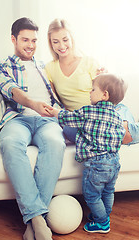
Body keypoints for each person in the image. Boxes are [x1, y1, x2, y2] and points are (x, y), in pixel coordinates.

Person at [45, 19, 139, 145]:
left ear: (71, 39)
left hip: (108, 113)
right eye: (55, 42)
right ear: (51, 44)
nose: (61, 45)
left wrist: (105, 76)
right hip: (82, 119)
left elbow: (108, 92)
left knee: (124, 132)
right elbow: (52, 100)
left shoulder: (89, 62)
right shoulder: (50, 69)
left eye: (65, 39)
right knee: (93, 132)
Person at [0, 17, 65, 240]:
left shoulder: (43, 66)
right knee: (11, 143)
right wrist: (33, 104)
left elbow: (62, 87)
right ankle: (38, 219)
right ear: (13, 39)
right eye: (25, 40)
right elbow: (12, 90)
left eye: (34, 40)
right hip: (17, 118)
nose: (30, 45)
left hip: (47, 120)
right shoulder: (0, 65)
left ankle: (34, 222)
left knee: (55, 143)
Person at [46, 73, 126, 233]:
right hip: (114, 162)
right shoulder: (118, 116)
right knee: (108, 191)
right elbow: (122, 135)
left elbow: (69, 118)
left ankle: (102, 223)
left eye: (93, 89)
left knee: (91, 195)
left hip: (97, 164)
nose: (90, 92)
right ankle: (102, 215)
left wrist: (54, 112)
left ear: (105, 95)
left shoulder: (90, 112)